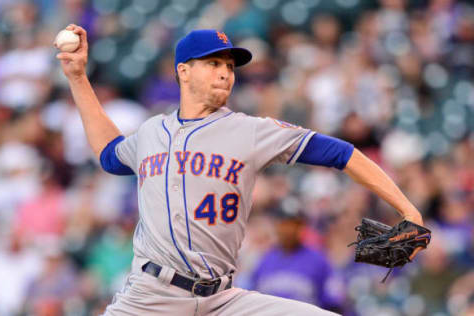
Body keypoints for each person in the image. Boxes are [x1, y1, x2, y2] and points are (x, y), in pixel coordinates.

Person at [56, 24, 425, 316]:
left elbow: (342, 153)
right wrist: (77, 77)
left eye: (230, 66)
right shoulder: (151, 131)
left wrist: (408, 209)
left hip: (224, 301)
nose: (225, 73)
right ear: (184, 71)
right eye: (213, 64)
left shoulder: (251, 130)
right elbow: (109, 155)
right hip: (151, 299)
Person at [250, 200, 343, 312]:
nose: (289, 230)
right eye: (285, 224)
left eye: (294, 224)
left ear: (301, 227)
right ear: (276, 226)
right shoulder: (264, 259)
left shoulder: (318, 260)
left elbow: (334, 303)